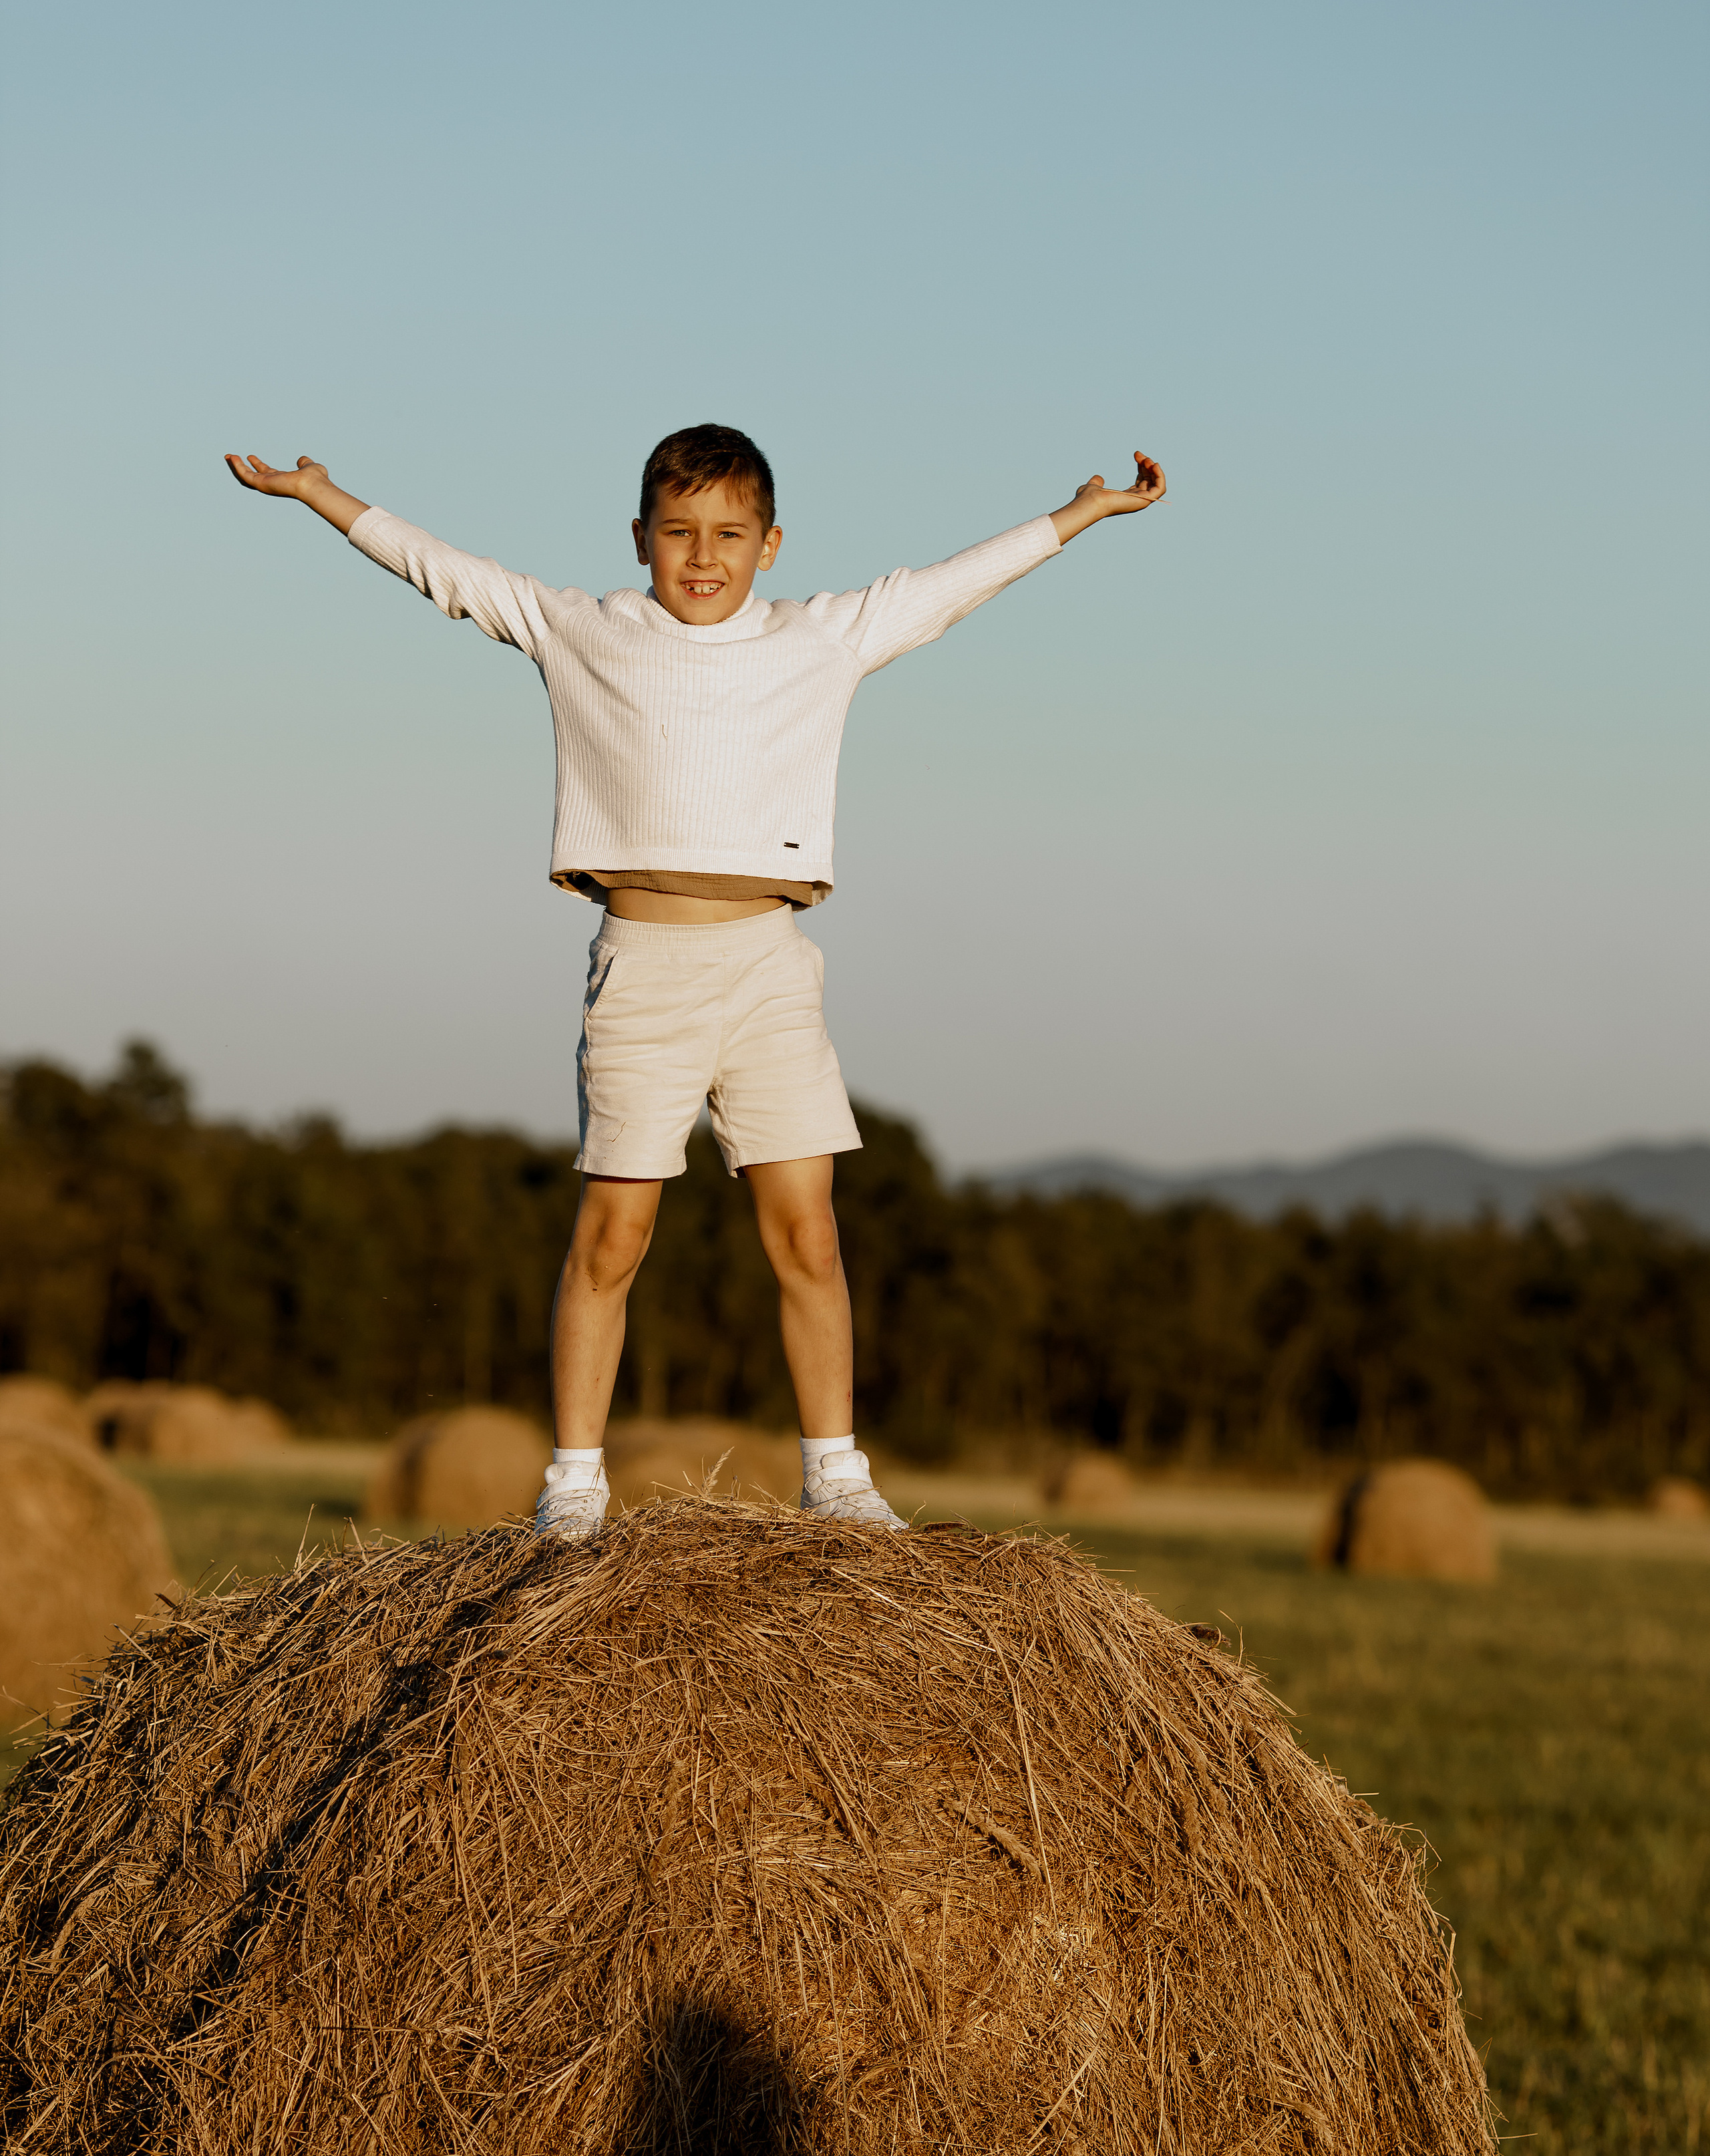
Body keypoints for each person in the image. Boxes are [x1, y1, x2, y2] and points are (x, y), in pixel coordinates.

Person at [224, 425, 1166, 1537]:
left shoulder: (820, 638)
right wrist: (327, 498)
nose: (702, 556)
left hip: (770, 969)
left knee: (807, 1234)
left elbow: (948, 586)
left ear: (771, 546)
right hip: (645, 971)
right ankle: (573, 1483)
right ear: (640, 540)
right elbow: (450, 573)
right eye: (678, 533)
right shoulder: (586, 630)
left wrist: (1079, 515)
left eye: (728, 535)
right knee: (614, 1234)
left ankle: (837, 1476)